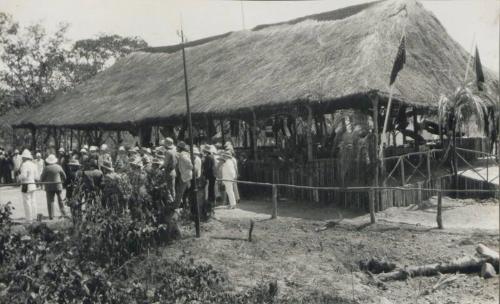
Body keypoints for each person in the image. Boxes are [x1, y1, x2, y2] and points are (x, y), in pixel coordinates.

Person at [40, 154, 67, 220]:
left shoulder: (46, 168)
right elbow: (64, 176)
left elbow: (42, 178)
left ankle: (51, 216)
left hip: (49, 186)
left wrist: (42, 183)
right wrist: (62, 181)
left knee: (50, 201)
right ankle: (63, 214)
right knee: (60, 200)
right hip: (58, 185)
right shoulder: (58, 167)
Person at [18, 149, 38, 221]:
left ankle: (29, 219)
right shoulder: (34, 164)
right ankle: (34, 217)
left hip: (26, 185)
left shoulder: (24, 164)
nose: (22, 158)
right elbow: (36, 177)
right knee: (33, 201)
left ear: (25, 157)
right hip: (33, 184)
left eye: (23, 157)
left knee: (27, 202)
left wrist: (19, 177)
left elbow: (23, 176)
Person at [175, 141, 193, 208]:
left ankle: (177, 206)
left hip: (185, 176)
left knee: (180, 192)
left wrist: (185, 170)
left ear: (180, 148)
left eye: (177, 147)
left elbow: (190, 165)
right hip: (185, 175)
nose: (176, 148)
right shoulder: (183, 154)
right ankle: (184, 205)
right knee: (184, 192)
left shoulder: (183, 155)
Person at [202, 145, 217, 217]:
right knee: (211, 188)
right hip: (212, 174)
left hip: (210, 175)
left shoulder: (208, 157)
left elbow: (207, 167)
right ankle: (212, 201)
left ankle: (212, 201)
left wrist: (204, 173)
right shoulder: (212, 157)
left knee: (210, 188)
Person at [162, 137, 177, 202]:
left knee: (167, 188)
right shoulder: (174, 150)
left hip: (168, 171)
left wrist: (160, 168)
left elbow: (165, 164)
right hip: (173, 170)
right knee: (172, 188)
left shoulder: (168, 152)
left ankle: (171, 202)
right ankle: (175, 201)